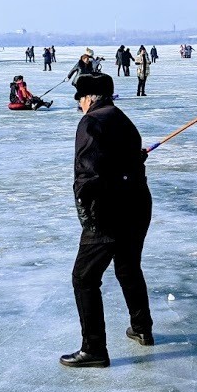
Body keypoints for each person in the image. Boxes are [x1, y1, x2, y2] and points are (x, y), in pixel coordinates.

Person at [62, 72, 154, 368]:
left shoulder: (91, 121)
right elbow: (125, 160)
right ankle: (142, 328)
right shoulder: (122, 118)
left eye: (80, 98)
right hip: (137, 205)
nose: (79, 104)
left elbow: (89, 173)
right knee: (128, 267)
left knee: (84, 277)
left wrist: (85, 210)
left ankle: (94, 349)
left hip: (109, 210)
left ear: (89, 97)